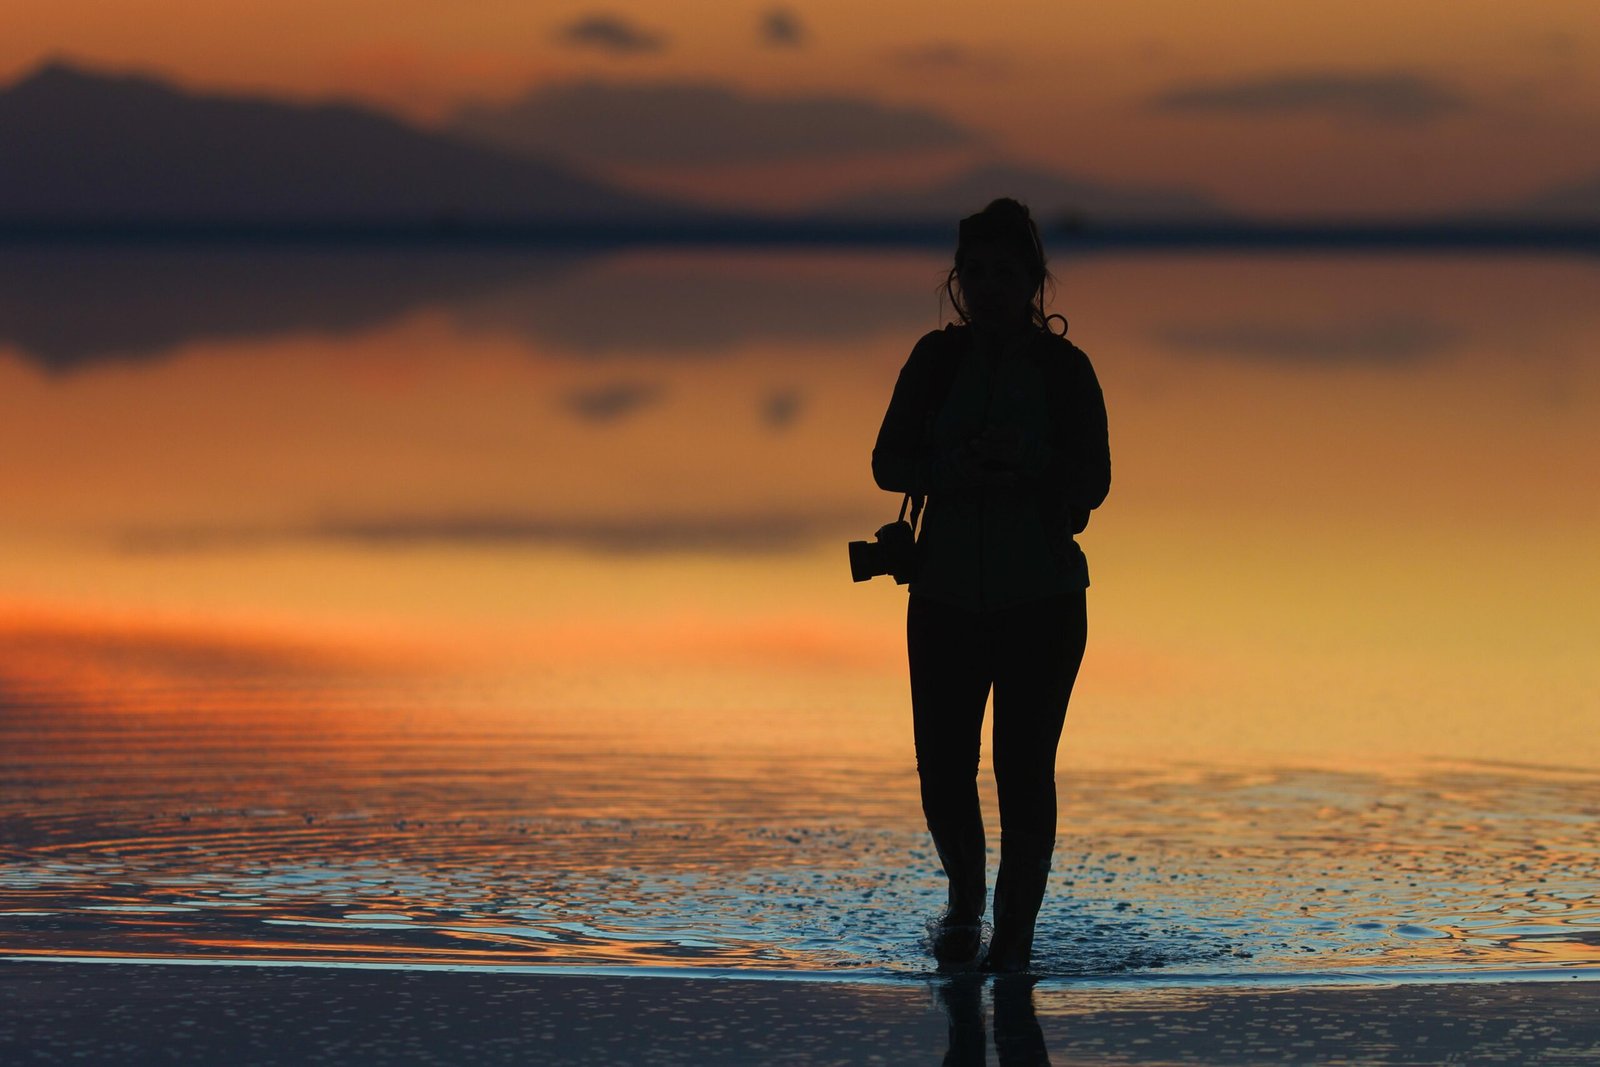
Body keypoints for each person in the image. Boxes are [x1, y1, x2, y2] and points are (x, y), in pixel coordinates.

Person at [871, 198, 1110, 972]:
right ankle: (965, 904)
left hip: (1041, 600)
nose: (989, 285)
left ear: (1035, 280)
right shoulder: (935, 361)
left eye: (1006, 272)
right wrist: (950, 468)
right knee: (942, 769)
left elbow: (1095, 482)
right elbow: (886, 464)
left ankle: (1013, 938)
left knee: (1022, 769)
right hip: (941, 596)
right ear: (957, 279)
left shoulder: (1065, 370)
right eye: (975, 272)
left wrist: (1029, 458)